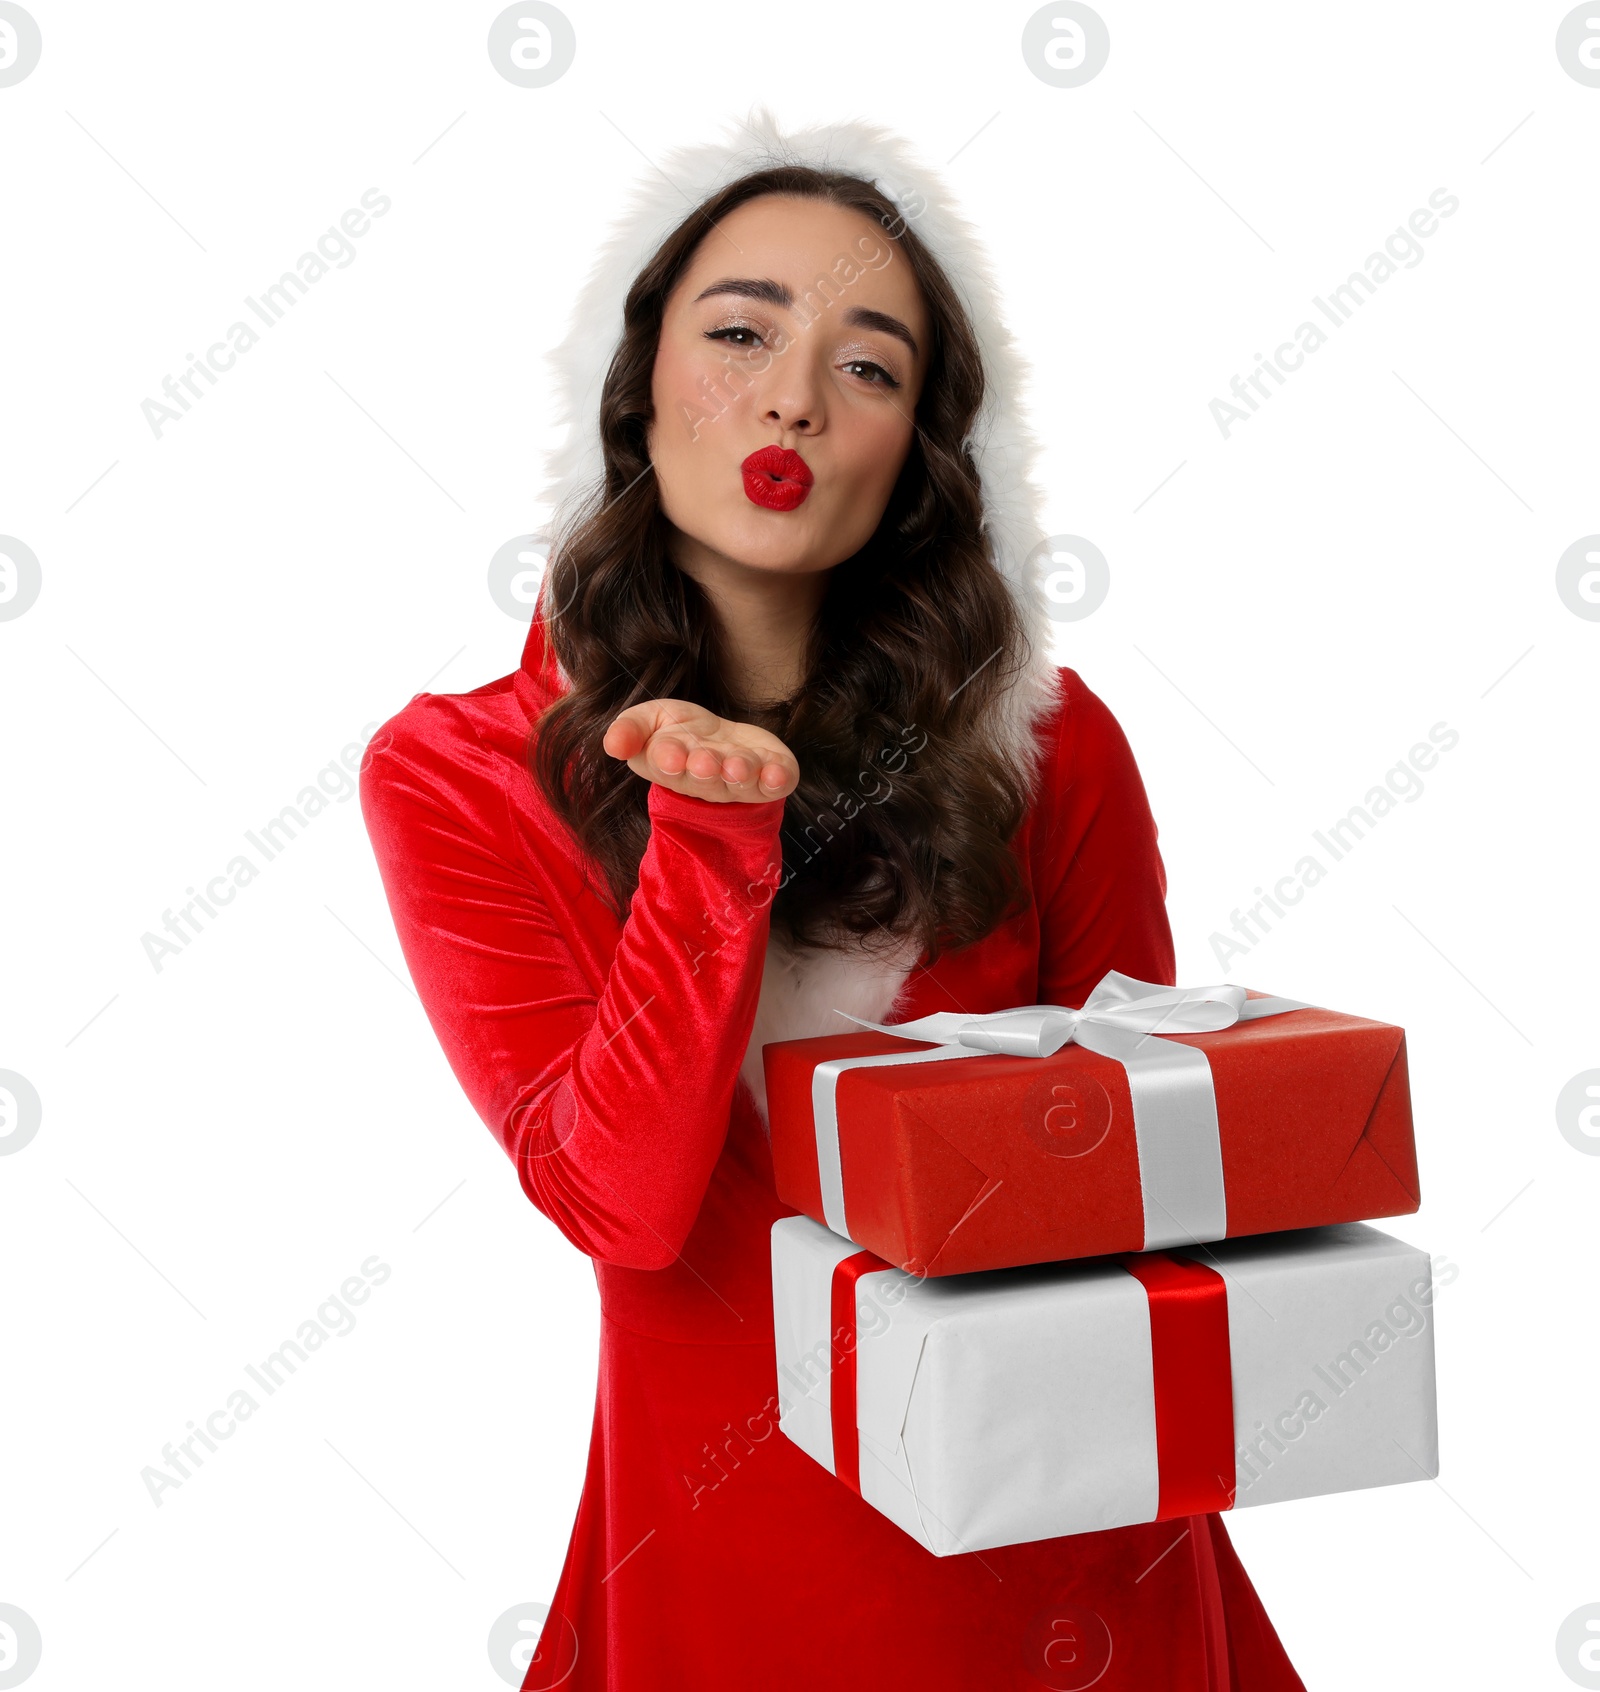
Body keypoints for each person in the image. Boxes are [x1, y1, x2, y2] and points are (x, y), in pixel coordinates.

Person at [360, 106, 1306, 1692]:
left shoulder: (1048, 744)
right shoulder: (457, 773)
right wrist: (713, 845)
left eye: (869, 365)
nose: (794, 392)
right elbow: (624, 1205)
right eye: (742, 331)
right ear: (637, 382)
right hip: (727, 1563)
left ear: (919, 456)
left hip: (1064, 1556)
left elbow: (1149, 1174)